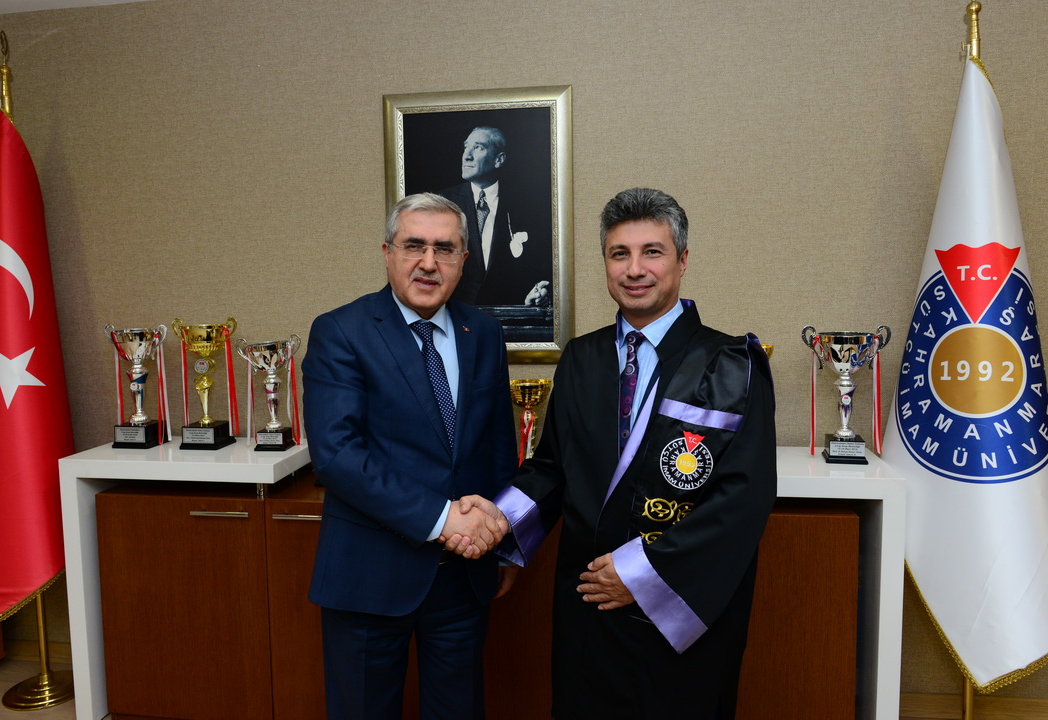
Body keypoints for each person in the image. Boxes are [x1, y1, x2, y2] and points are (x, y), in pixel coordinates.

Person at [450, 187, 777, 719]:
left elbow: (744, 498)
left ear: (683, 260)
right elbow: (553, 468)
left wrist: (641, 574)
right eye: (619, 253)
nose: (635, 269)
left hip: (681, 613)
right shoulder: (582, 357)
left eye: (653, 252)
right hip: (589, 604)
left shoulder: (731, 366)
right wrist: (498, 519)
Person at [302, 192, 518, 720]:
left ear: (463, 260)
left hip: (464, 577)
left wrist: (504, 539)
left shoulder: (483, 332)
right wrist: (444, 519)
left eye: (444, 249)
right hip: (369, 577)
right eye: (413, 245)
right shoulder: (341, 331)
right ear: (387, 252)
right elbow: (337, 455)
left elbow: (497, 446)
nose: (428, 262)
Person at [438, 126, 551, 307]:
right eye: (466, 147)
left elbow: (534, 268)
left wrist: (532, 296)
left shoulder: (527, 206)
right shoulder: (443, 203)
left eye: (478, 147)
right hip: (454, 315)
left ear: (499, 159)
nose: (466, 156)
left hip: (507, 315)